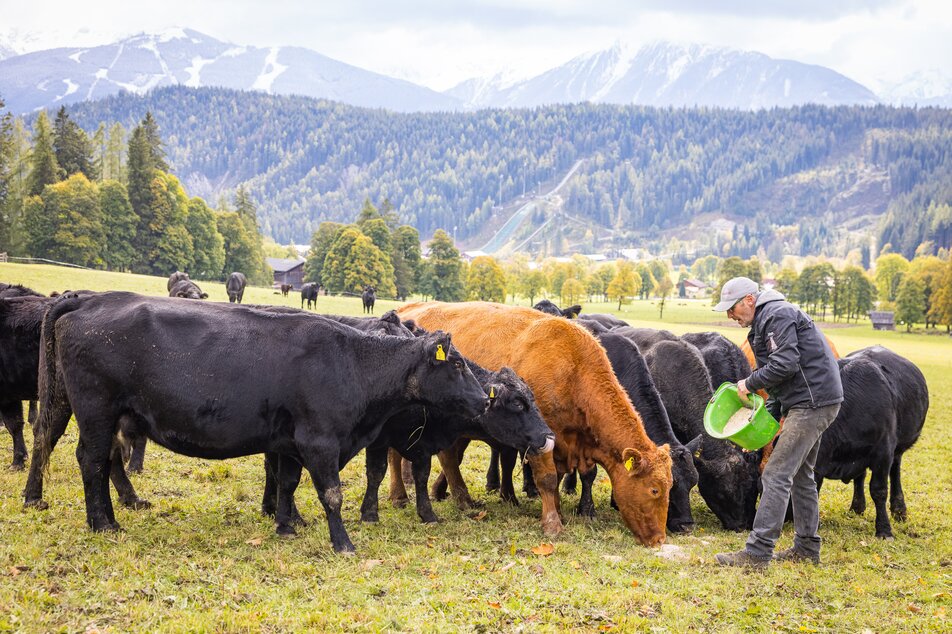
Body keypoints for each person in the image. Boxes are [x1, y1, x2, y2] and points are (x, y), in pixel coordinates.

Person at [712, 276, 843, 569]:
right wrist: (759, 433)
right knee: (800, 475)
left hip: (812, 403)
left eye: (732, 309)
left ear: (749, 300)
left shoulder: (776, 315)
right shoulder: (766, 320)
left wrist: (748, 382)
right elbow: (779, 387)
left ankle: (757, 553)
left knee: (775, 474)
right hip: (812, 400)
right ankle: (807, 548)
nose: (731, 316)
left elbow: (784, 365)